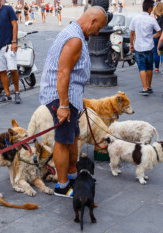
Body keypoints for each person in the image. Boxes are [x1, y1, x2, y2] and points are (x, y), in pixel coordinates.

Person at [39, 6, 107, 198]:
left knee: (73, 137)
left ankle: (71, 175)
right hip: (60, 97)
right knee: (62, 140)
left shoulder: (75, 33)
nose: (98, 32)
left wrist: (76, 101)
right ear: (92, 21)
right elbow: (63, 73)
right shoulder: (75, 39)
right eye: (98, 27)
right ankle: (62, 186)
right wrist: (63, 105)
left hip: (69, 97)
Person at [130, 0, 161, 96]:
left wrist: (131, 44)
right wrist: (152, 36)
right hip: (149, 46)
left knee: (142, 68)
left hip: (139, 47)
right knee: (149, 68)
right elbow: (159, 32)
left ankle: (144, 88)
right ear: (150, 8)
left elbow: (132, 33)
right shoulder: (152, 20)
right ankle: (149, 86)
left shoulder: (135, 18)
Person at [153, 2, 163, 73]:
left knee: (156, 52)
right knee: (162, 51)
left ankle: (156, 68)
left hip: (155, 34)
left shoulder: (154, 17)